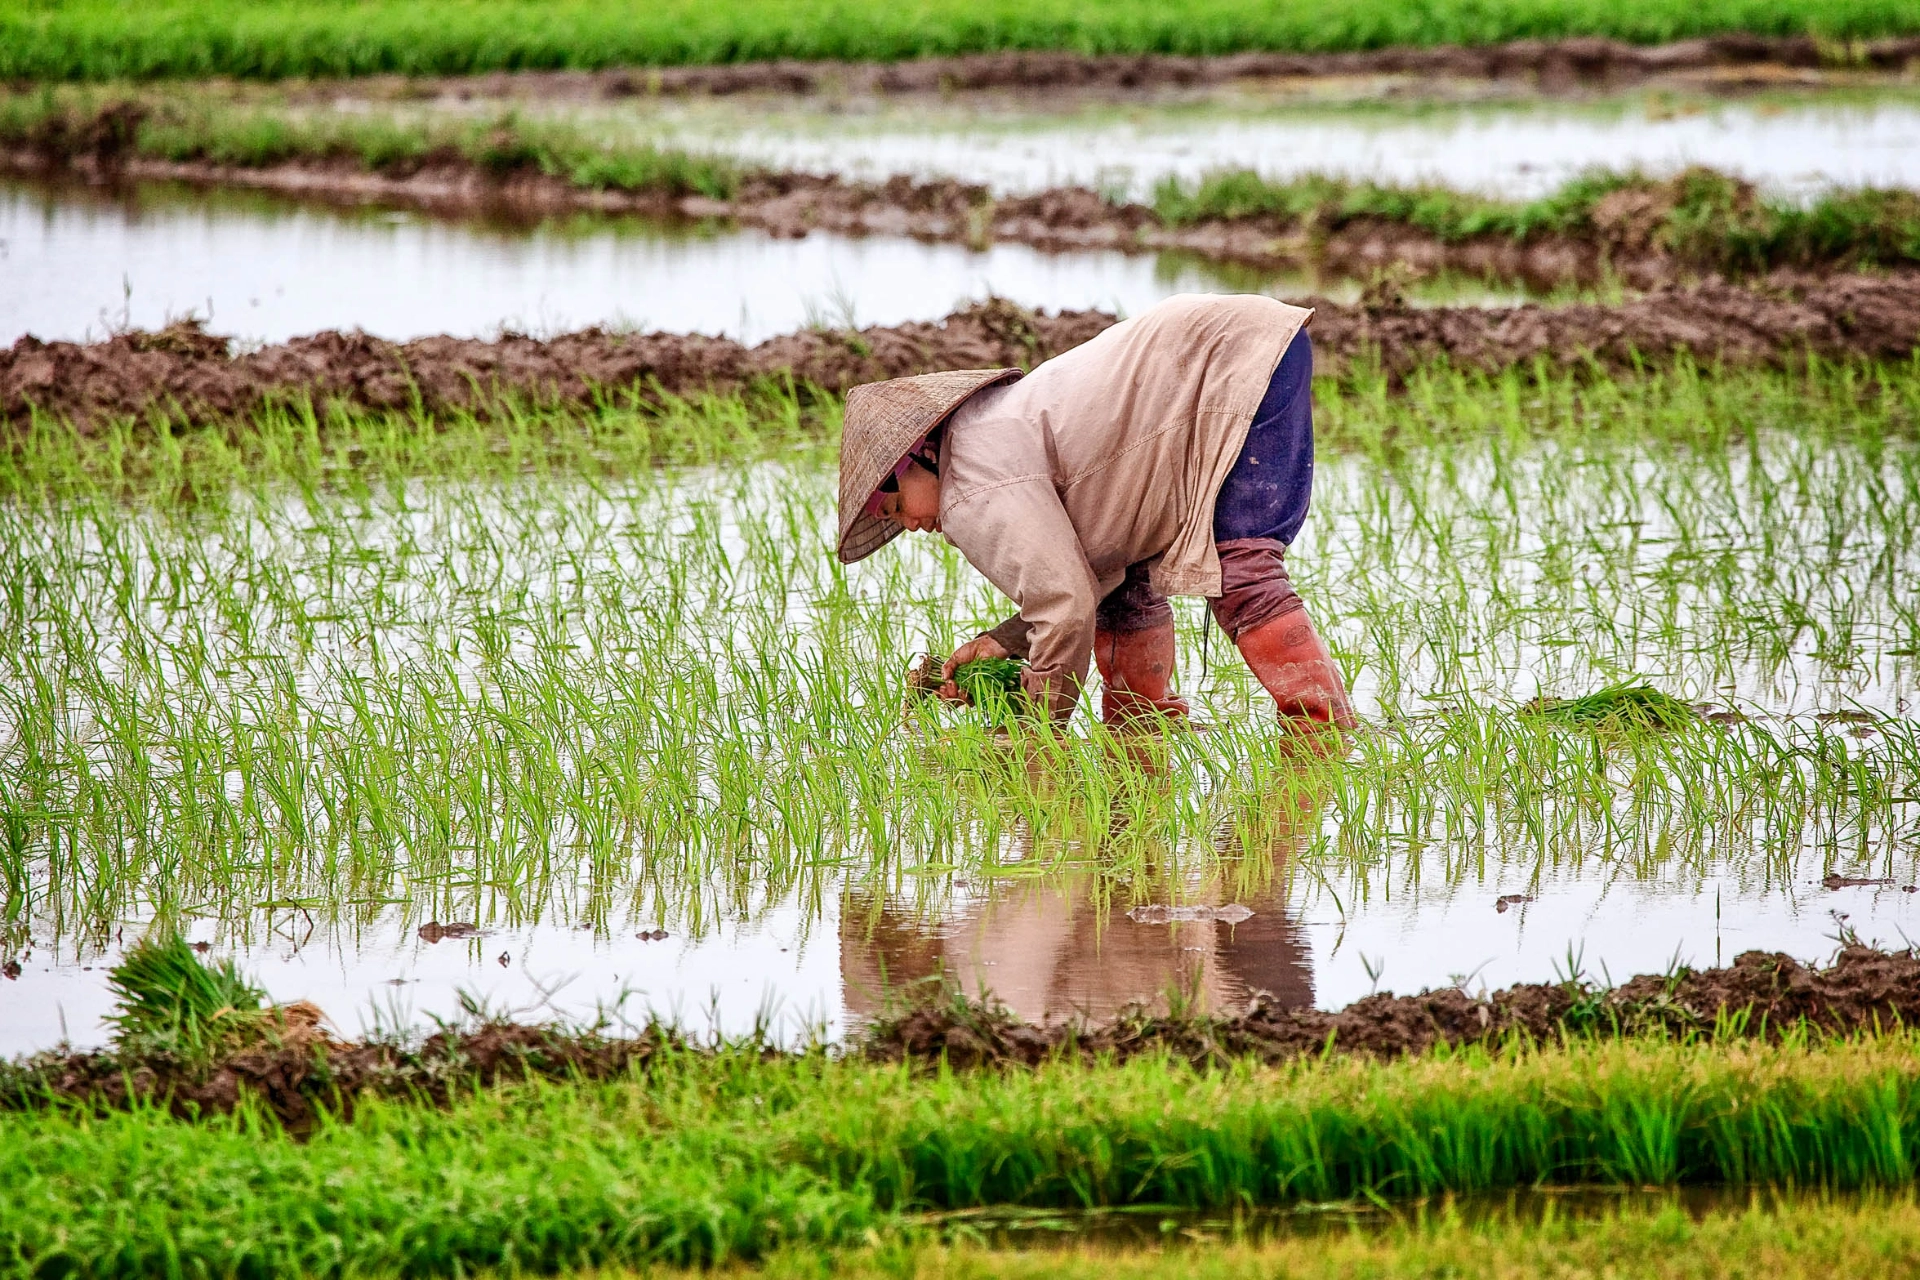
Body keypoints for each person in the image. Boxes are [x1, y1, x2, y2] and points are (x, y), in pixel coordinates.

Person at [836, 292, 1355, 731]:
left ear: (921, 455)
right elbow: (1088, 582)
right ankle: (1142, 731)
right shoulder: (984, 434)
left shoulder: (969, 484)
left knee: (1241, 567)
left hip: (1225, 359)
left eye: (897, 507)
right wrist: (1004, 641)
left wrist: (1036, 731)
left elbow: (1064, 604)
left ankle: (1324, 731)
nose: (909, 524)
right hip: (1242, 341)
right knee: (1126, 594)